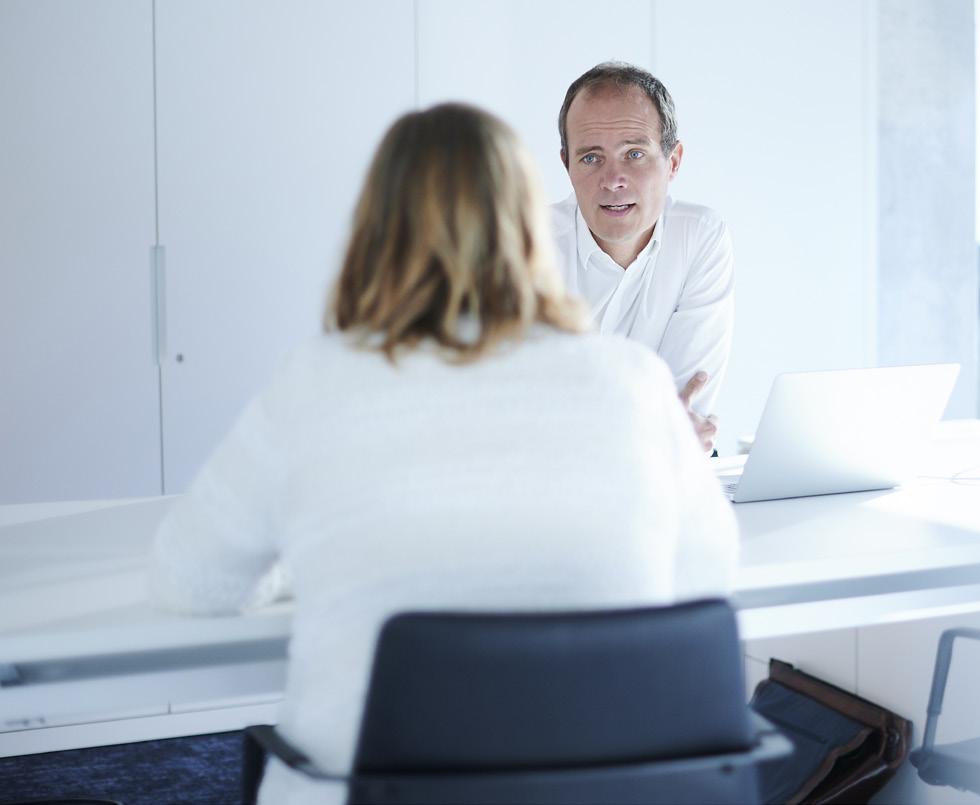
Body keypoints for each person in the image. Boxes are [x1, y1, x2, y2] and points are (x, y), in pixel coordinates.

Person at [148, 103, 738, 805]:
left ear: (375, 229)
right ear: (532, 226)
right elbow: (707, 575)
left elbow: (193, 579)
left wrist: (308, 557)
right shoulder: (633, 381)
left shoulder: (318, 381)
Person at [552, 62, 734, 453]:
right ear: (566, 164)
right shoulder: (524, 248)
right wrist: (654, 428)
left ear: (673, 162)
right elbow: (521, 416)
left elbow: (684, 410)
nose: (613, 180)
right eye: (591, 158)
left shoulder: (699, 236)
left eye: (634, 154)